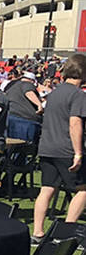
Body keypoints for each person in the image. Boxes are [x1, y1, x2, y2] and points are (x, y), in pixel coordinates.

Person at [31, 53, 86, 242]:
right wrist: (78, 153)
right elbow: (75, 124)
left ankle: (37, 231)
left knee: (46, 189)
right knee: (83, 189)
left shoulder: (54, 92)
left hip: (47, 147)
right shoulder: (78, 95)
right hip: (66, 149)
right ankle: (67, 232)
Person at [4, 70, 44, 146]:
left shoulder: (11, 87)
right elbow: (28, 92)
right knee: (25, 148)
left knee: (12, 147)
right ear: (32, 80)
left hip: (10, 118)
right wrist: (39, 105)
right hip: (25, 121)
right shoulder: (27, 84)